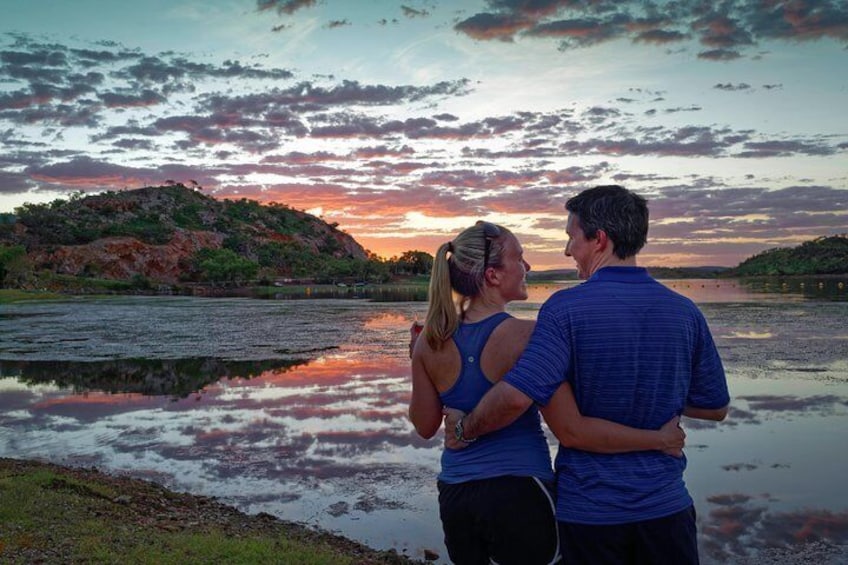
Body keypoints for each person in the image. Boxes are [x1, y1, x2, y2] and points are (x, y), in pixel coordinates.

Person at [443, 187, 730, 564]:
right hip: (667, 510)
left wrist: (465, 430)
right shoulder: (684, 312)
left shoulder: (564, 311)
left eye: (571, 238)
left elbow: (517, 398)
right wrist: (658, 402)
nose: (567, 250)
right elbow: (715, 407)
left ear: (599, 240)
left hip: (590, 514)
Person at [410, 220, 687, 565]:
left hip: (456, 495)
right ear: (493, 275)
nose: (527, 267)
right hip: (521, 491)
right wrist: (659, 438)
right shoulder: (529, 337)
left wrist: (418, 361)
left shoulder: (427, 342)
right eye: (519, 258)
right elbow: (571, 429)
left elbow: (423, 426)